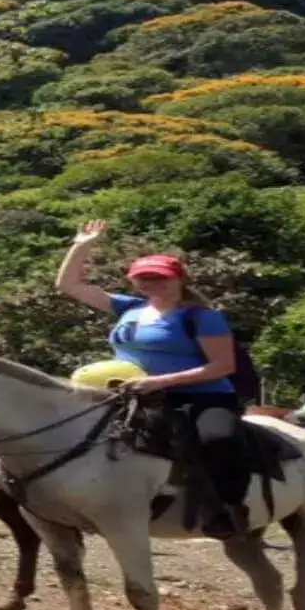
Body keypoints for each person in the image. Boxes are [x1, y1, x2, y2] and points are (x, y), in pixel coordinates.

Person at [56, 218, 246, 538]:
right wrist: (82, 245)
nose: (152, 284)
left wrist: (160, 381)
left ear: (179, 279)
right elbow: (68, 286)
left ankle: (228, 511)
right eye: (144, 278)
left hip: (201, 396)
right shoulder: (129, 308)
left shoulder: (202, 316)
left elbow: (222, 366)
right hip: (137, 394)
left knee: (215, 440)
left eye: (161, 278)